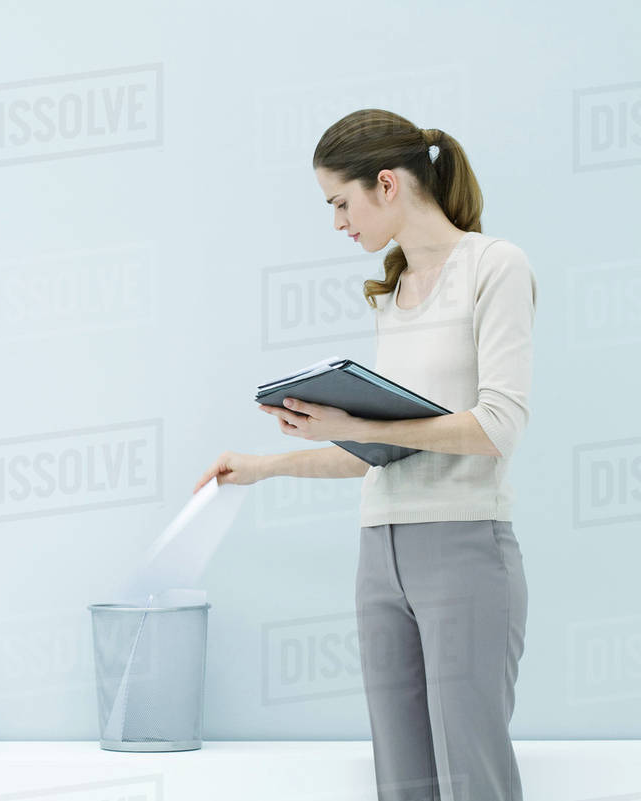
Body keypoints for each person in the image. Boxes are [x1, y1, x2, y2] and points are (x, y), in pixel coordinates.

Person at [194, 109, 536, 801]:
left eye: (340, 203)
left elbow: (497, 425)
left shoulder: (494, 266)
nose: (338, 222)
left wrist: (353, 420)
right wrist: (267, 463)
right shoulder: (395, 291)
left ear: (386, 184)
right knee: (400, 779)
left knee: (474, 778)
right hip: (379, 554)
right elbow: (382, 451)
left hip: (464, 546)